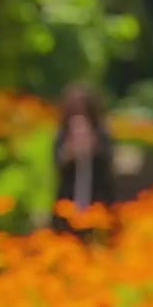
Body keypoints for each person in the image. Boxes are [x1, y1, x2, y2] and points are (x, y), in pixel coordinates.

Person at [51, 83, 118, 241]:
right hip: (69, 199)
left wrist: (93, 145)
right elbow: (57, 164)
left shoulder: (102, 132)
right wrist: (71, 149)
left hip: (97, 198)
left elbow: (108, 161)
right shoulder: (62, 134)